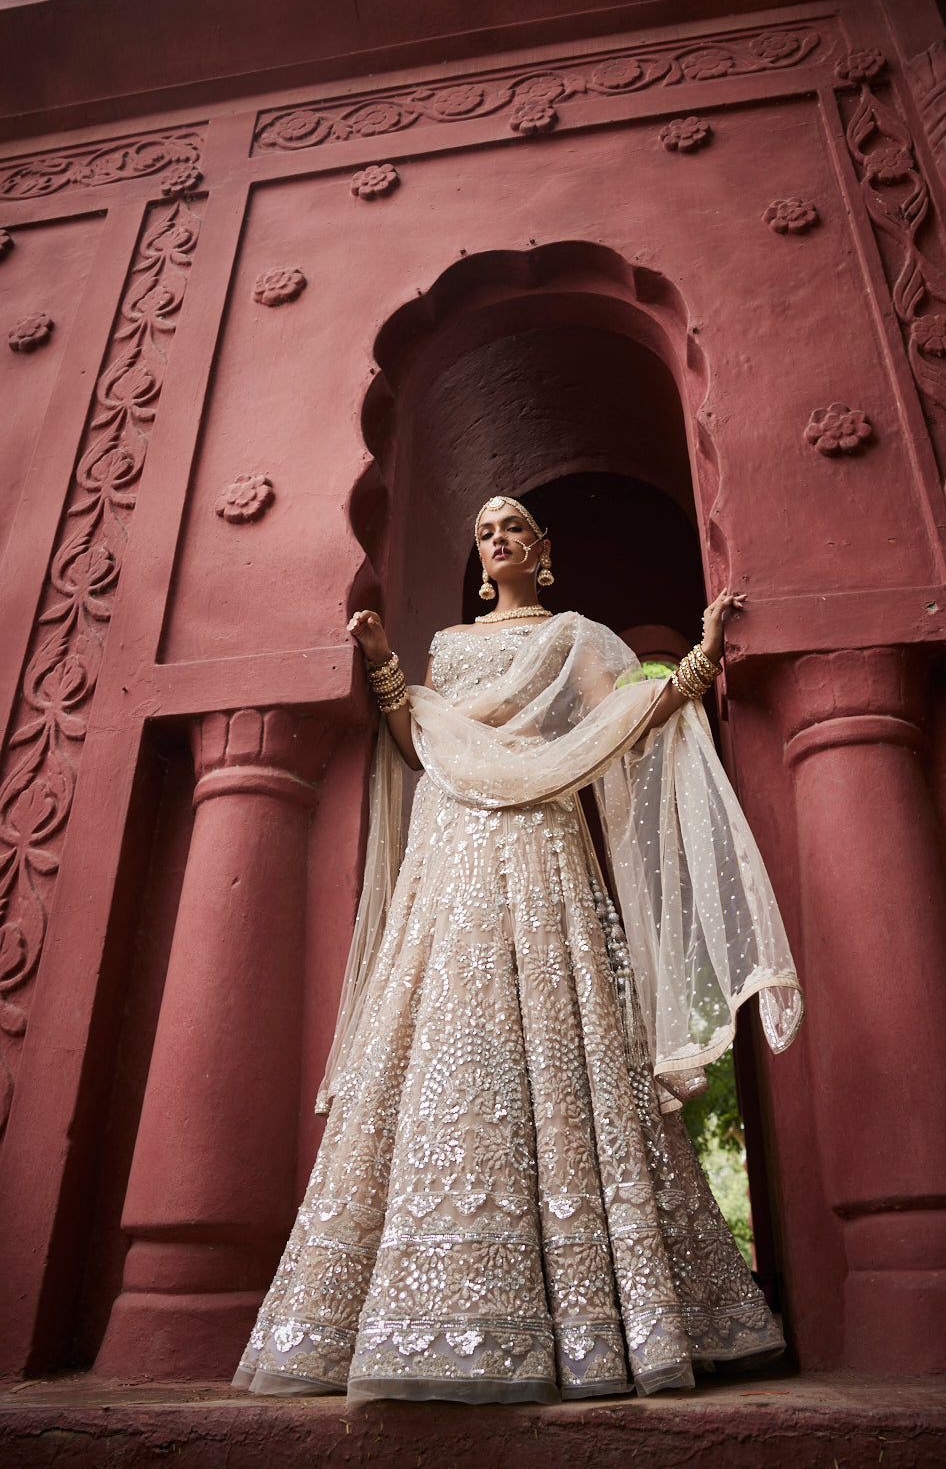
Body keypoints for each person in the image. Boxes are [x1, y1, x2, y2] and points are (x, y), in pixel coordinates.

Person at [233, 494, 802, 1404]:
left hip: (541, 843)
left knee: (559, 1036)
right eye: (483, 530)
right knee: (448, 1037)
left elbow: (629, 723)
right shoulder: (451, 650)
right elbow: (419, 745)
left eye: (513, 528)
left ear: (542, 551)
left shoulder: (577, 639)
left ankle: (594, 1319)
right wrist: (384, 669)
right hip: (451, 849)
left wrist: (695, 662)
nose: (496, 538)